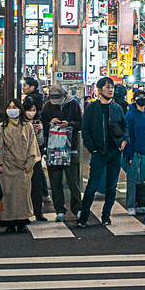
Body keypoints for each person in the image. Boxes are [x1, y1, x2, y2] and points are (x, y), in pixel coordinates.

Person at [79, 76, 127, 225]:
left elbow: (124, 127)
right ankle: (84, 215)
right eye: (107, 87)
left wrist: (124, 141)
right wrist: (92, 148)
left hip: (115, 151)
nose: (111, 89)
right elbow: (85, 129)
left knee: (112, 186)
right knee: (92, 185)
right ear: (99, 90)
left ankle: (106, 214)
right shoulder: (92, 108)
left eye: (112, 87)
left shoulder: (117, 108)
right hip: (99, 152)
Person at [0, 97, 40, 233]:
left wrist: (30, 162)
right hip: (7, 167)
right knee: (7, 194)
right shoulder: (2, 127)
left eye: (15, 107)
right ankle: (8, 223)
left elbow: (33, 146)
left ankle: (21, 221)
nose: (12, 110)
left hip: (23, 167)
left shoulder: (27, 126)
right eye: (9, 107)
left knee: (22, 195)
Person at [41, 86, 83, 221]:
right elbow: (42, 124)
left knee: (73, 182)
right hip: (54, 148)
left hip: (71, 148)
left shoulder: (74, 105)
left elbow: (81, 124)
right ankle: (59, 210)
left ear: (65, 94)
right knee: (55, 181)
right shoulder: (47, 106)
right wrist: (49, 123)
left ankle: (77, 209)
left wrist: (68, 124)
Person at [122, 90, 145, 208]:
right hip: (134, 152)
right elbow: (127, 134)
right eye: (139, 97)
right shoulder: (129, 115)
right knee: (132, 180)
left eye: (144, 97)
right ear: (134, 100)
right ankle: (131, 205)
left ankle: (143, 204)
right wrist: (129, 154)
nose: (142, 99)